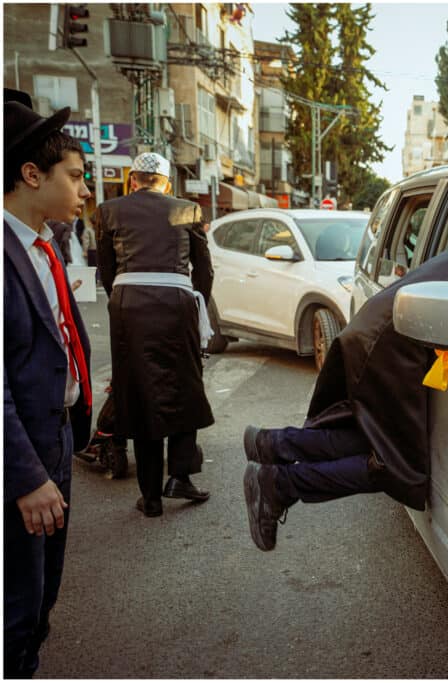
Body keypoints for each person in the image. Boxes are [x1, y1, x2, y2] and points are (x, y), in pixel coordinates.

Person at [242, 239, 448, 551]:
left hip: (384, 338)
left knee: (369, 440)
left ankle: (271, 446)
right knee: (397, 469)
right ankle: (280, 484)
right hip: (391, 348)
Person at [4, 92, 93, 678]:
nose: (86, 190)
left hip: (56, 439)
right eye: (76, 176)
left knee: (41, 601)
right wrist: (28, 477)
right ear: (31, 174)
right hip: (24, 460)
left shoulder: (45, 245)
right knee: (14, 609)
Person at [93, 152, 215, 517]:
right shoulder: (187, 209)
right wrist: (197, 304)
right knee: (185, 386)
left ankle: (150, 498)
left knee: (140, 393)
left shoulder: (108, 210)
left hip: (129, 304)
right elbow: (204, 269)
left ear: (133, 180)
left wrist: (124, 302)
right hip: (176, 301)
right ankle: (180, 475)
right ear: (166, 182)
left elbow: (106, 269)